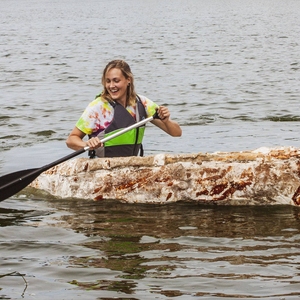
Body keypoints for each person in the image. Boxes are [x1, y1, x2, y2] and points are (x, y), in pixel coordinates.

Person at [66, 59, 182, 157]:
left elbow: (176, 133)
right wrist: (87, 144)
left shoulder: (142, 103)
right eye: (108, 81)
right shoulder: (98, 107)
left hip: (131, 166)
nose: (111, 86)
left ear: (128, 80)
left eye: (116, 81)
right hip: (104, 168)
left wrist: (166, 121)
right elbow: (71, 139)